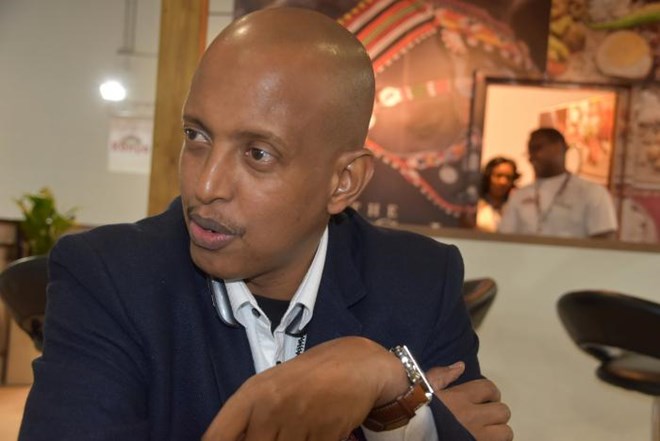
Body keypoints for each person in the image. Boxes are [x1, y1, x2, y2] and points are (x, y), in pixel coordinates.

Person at [19, 8, 512, 441]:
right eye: (196, 135)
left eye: (257, 153)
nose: (205, 184)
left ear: (343, 182)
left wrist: (378, 378)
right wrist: (396, 415)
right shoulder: (109, 277)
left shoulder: (419, 279)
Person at [499, 127, 618, 238]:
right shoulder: (520, 196)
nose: (531, 157)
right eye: (529, 152)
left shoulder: (592, 193)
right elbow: (505, 240)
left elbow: (604, 241)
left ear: (560, 148)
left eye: (537, 149)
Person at [476, 157, 520, 232]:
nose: (503, 182)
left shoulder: (515, 206)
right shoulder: (474, 204)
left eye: (508, 177)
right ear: (488, 177)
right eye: (498, 176)